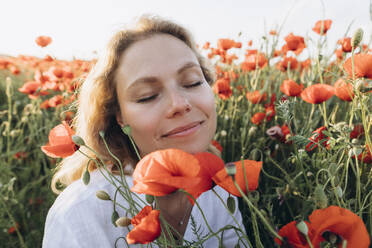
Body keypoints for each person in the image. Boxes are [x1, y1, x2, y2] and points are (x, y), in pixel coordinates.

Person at [43, 15, 247, 247]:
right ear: (118, 117)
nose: (179, 104)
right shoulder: (81, 214)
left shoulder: (218, 189)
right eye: (147, 96)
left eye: (192, 82)